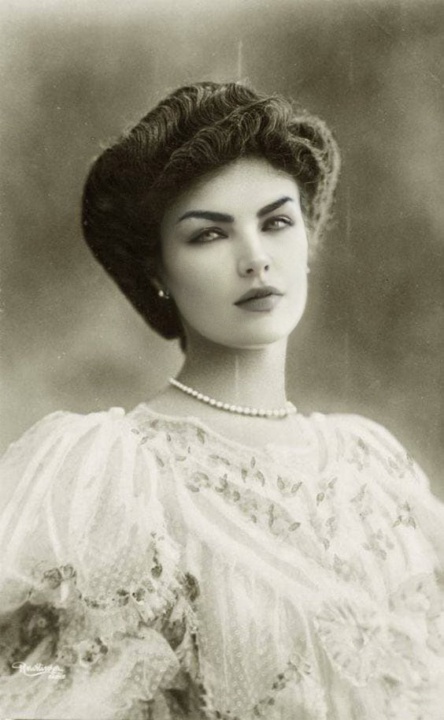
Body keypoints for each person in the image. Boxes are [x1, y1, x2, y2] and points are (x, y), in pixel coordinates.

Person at [0, 81, 443, 720]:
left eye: (277, 222)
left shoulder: (376, 465)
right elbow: (25, 680)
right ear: (157, 272)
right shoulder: (115, 480)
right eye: (209, 235)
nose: (256, 259)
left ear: (308, 242)